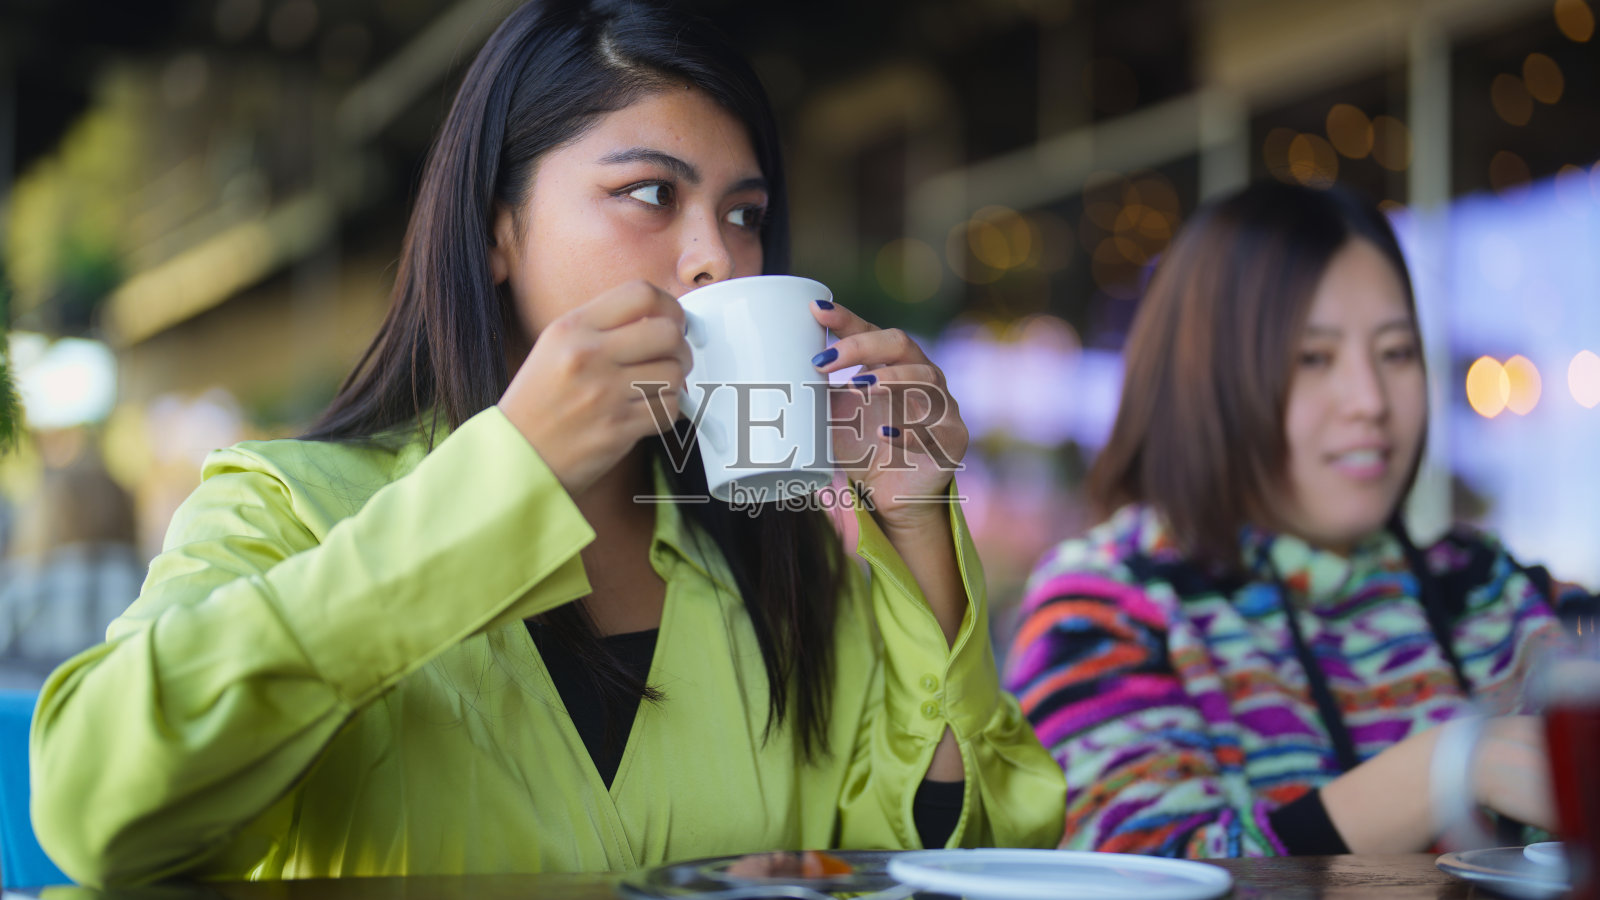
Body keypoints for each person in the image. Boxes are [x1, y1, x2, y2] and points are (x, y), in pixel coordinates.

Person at [31, 1, 1064, 887]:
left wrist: (918, 517)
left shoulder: (775, 562)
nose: (716, 258)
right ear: (497, 230)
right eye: (651, 194)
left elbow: (941, 855)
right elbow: (95, 810)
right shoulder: (288, 508)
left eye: (744, 214)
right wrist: (510, 476)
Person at [1004, 181, 1597, 858]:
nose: (1369, 400)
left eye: (1396, 353)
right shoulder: (1106, 605)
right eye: (1313, 358)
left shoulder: (1485, 590)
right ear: (1208, 382)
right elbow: (1145, 872)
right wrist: (1453, 766)